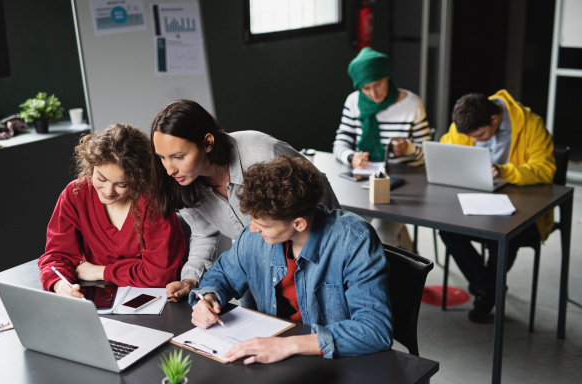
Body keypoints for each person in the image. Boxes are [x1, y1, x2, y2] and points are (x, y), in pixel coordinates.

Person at [190, 155, 393, 363]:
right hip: (272, 351)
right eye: (252, 219)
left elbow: (374, 329)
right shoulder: (253, 236)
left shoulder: (354, 240)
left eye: (264, 225)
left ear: (299, 224)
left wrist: (288, 345)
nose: (252, 228)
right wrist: (209, 298)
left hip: (333, 359)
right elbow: (222, 275)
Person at [150, 100, 340, 302]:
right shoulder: (180, 183)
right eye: (162, 157)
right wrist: (190, 280)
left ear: (207, 143)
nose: (169, 169)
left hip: (312, 255)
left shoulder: (264, 153)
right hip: (254, 266)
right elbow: (204, 233)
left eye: (178, 156)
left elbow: (319, 200)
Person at [439, 90, 556, 322]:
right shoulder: (469, 122)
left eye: (480, 135)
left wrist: (504, 171)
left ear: (494, 119)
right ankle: (490, 287)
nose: (476, 140)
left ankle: (486, 289)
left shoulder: (530, 124)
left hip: (525, 208)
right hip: (478, 202)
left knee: (502, 238)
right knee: (448, 230)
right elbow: (447, 150)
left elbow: (546, 169)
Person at [38, 124, 187, 298]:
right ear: (91, 166)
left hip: (154, 298)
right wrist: (60, 284)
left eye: (122, 184)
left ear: (139, 178)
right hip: (98, 297)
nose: (108, 192)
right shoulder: (75, 194)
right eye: (101, 178)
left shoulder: (152, 202)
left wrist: (101, 272)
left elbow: (159, 274)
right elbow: (57, 256)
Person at [333, 47, 432, 250]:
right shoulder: (354, 102)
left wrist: (409, 149)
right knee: (350, 229)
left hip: (404, 185)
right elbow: (340, 142)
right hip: (363, 183)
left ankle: (395, 278)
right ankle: (406, 250)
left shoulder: (412, 104)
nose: (373, 93)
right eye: (366, 88)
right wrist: (352, 157)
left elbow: (427, 156)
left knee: (380, 235)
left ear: (387, 77)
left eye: (377, 85)